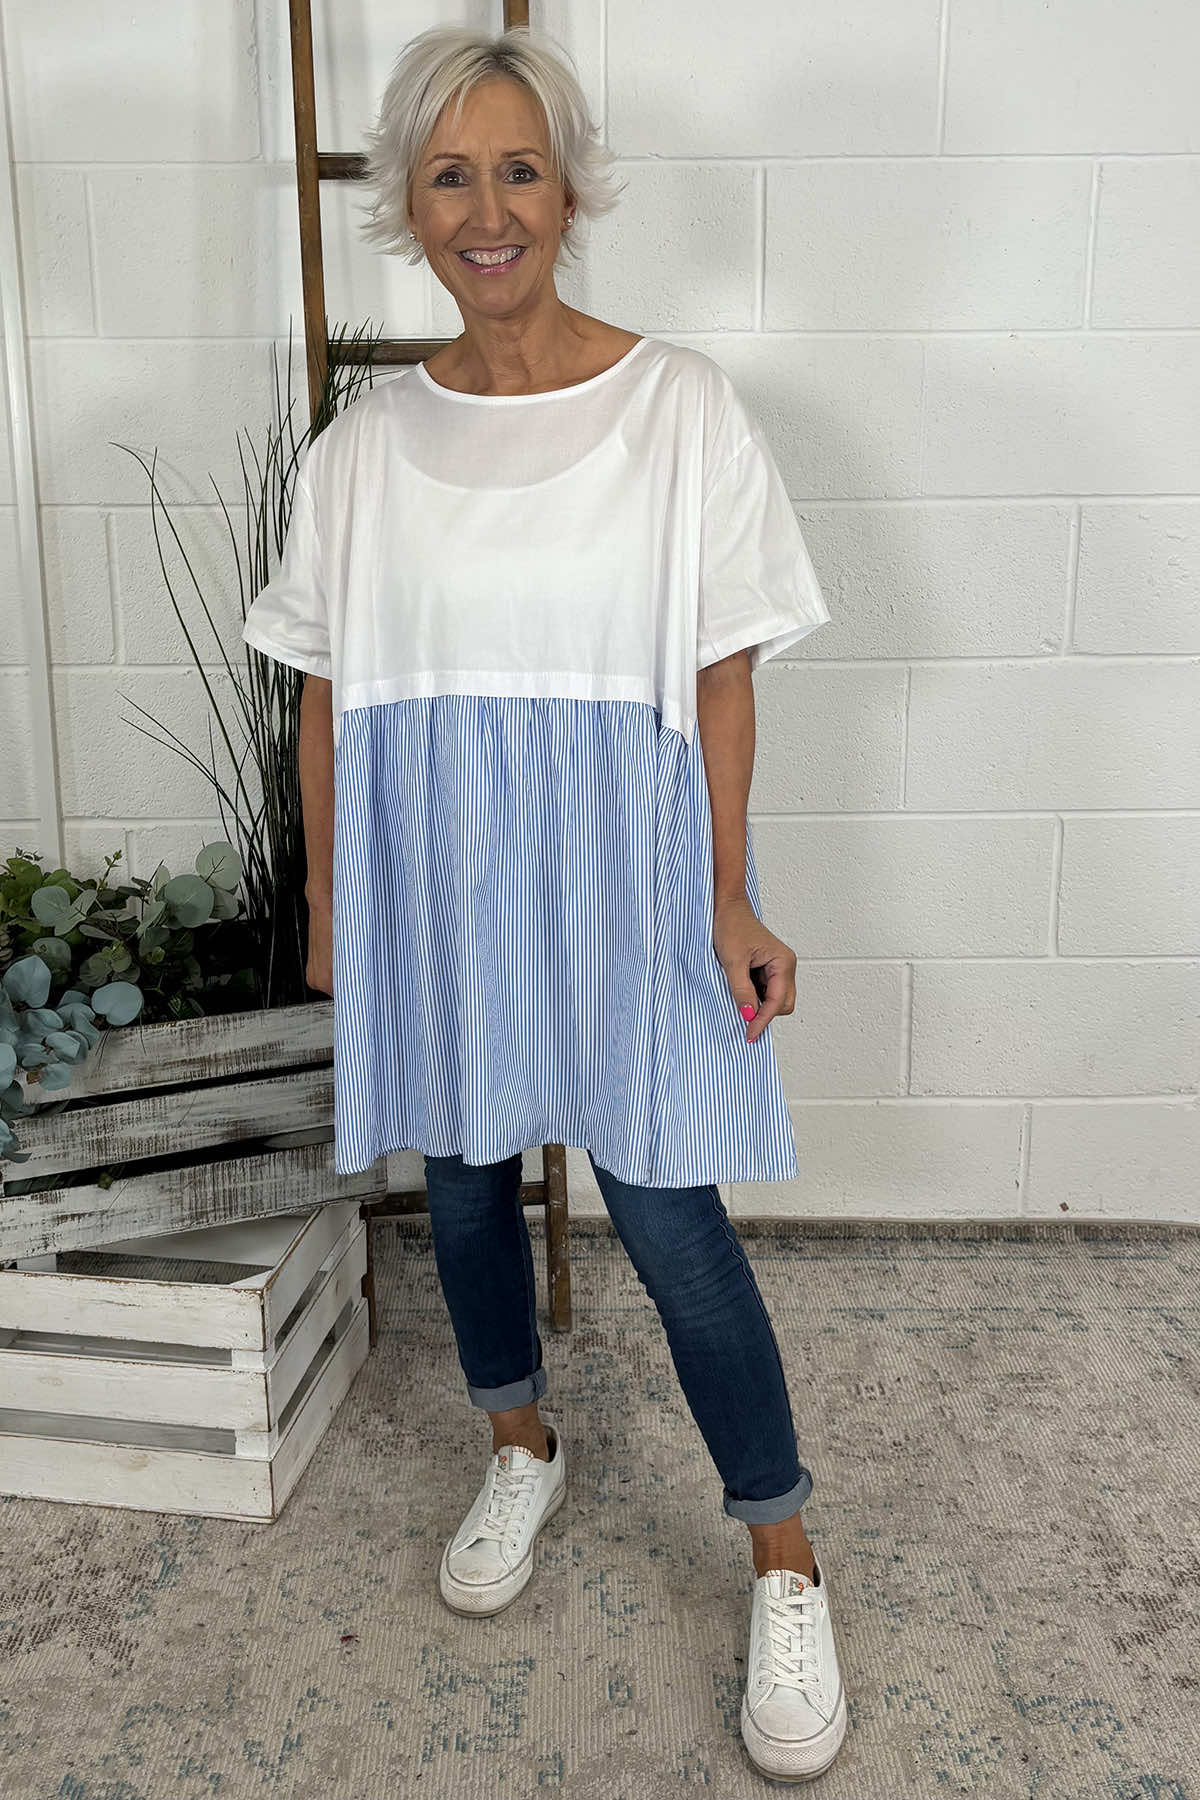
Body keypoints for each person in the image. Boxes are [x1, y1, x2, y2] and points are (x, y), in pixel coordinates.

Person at [241, 22, 846, 1783]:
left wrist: (730, 894)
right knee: (464, 1177)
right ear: (407, 207)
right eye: (451, 176)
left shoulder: (679, 407)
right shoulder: (363, 447)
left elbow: (722, 673)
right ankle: (520, 1445)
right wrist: (334, 902)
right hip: (435, 868)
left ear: (571, 194)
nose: (487, 210)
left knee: (667, 1209)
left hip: (627, 867)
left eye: (519, 170)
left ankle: (784, 1553)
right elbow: (326, 697)